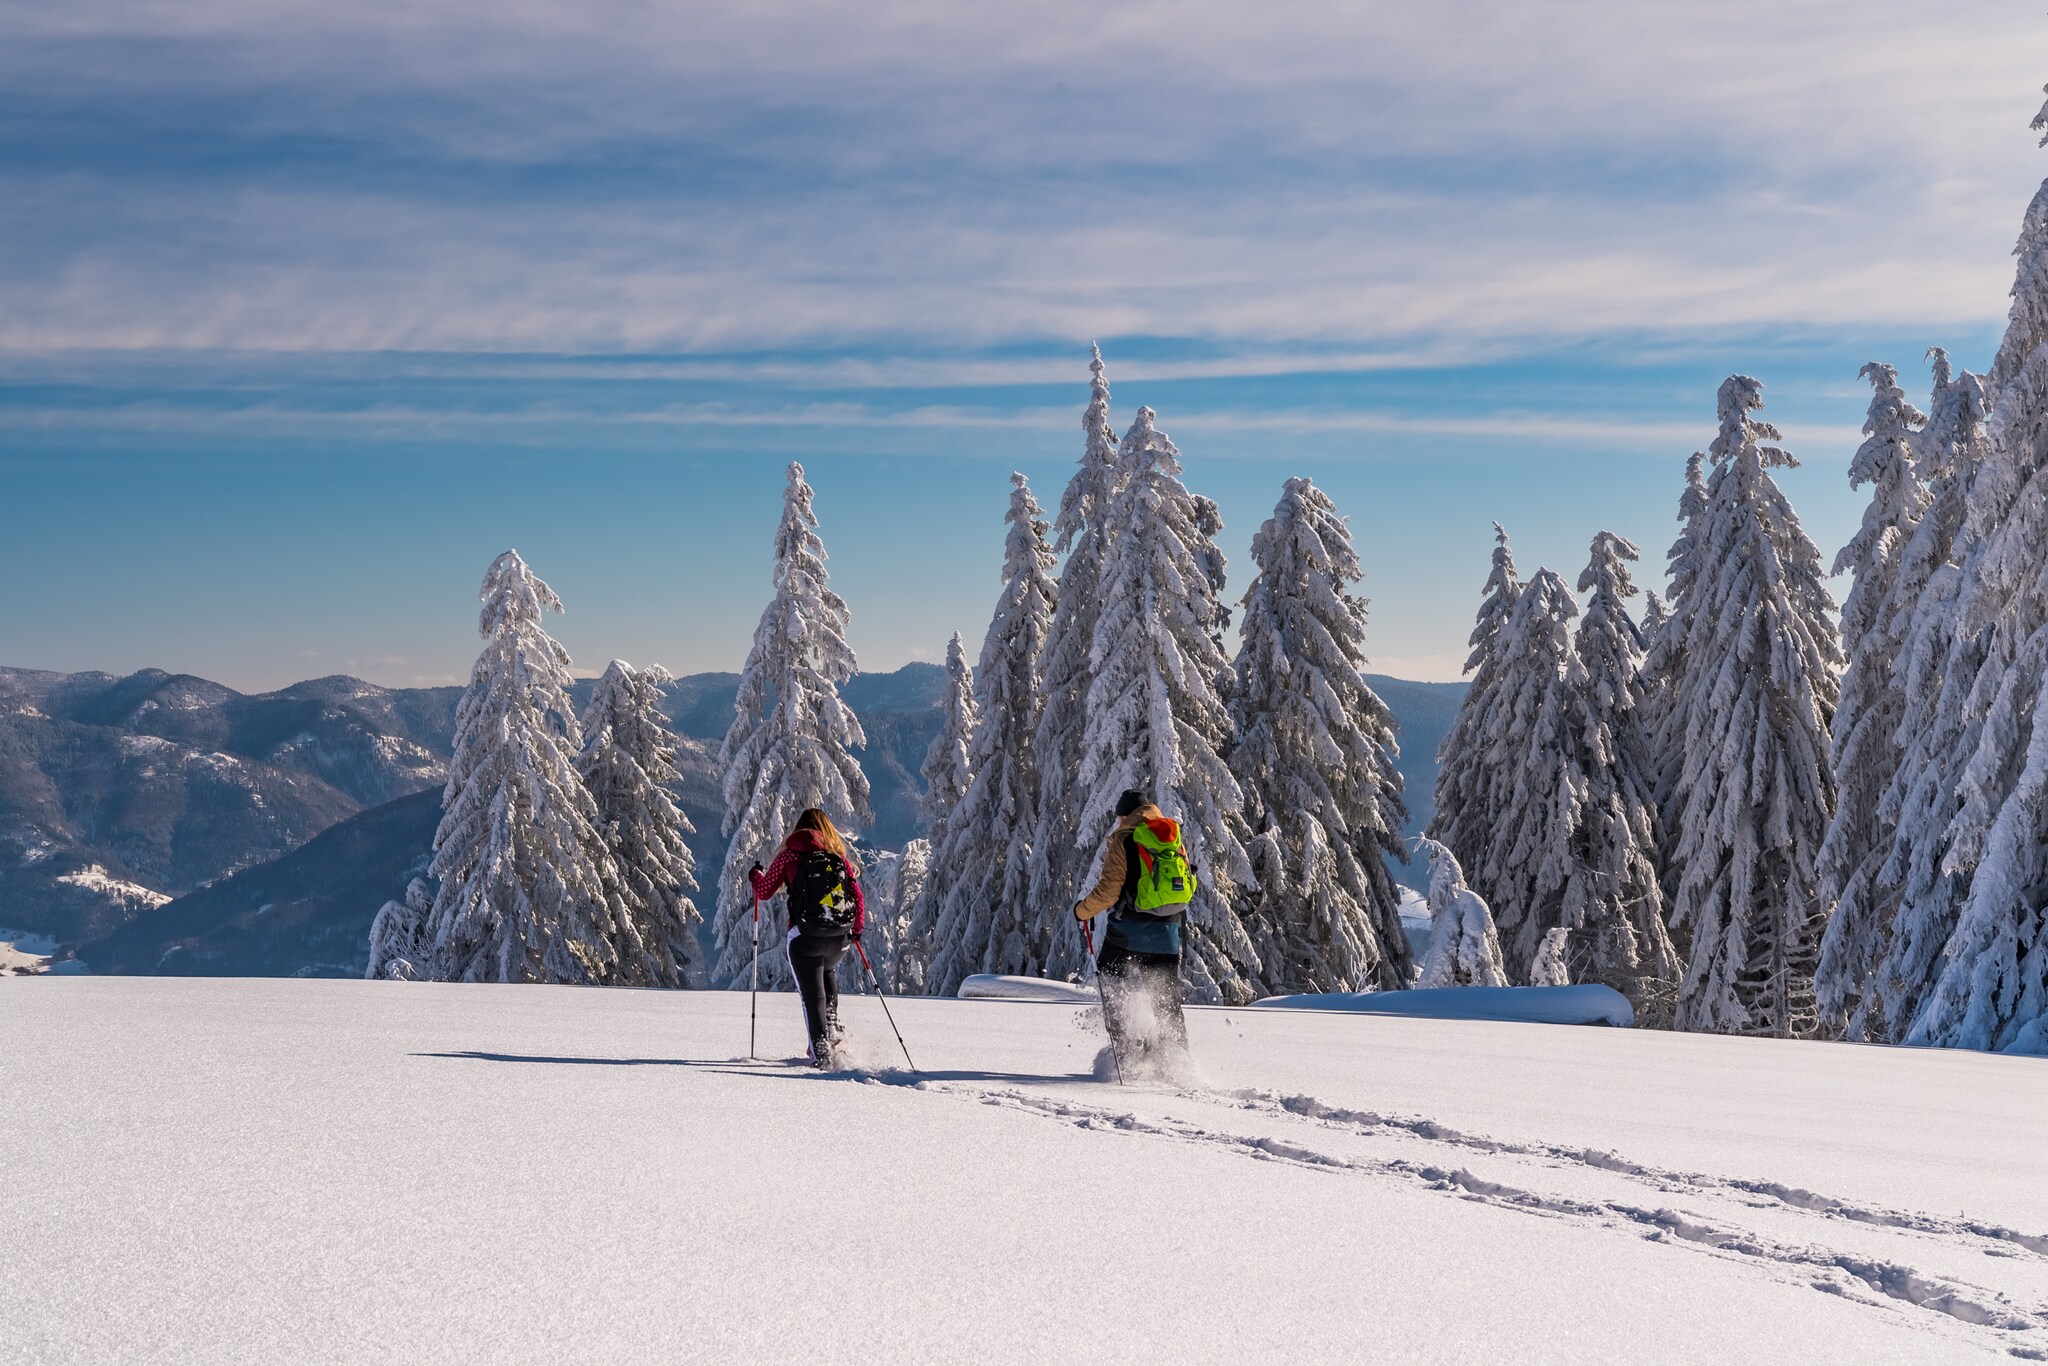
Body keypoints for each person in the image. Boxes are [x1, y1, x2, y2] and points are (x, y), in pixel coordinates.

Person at [1072, 788, 1193, 1072]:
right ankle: (1178, 1062)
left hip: (1129, 933)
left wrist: (1082, 911)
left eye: (1118, 817)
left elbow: (1108, 892)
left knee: (1112, 984)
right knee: (1167, 1001)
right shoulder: (1172, 837)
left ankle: (1125, 1056)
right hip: (1168, 934)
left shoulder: (1125, 840)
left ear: (1124, 815)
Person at [749, 808, 866, 1069]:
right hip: (838, 939)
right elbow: (857, 897)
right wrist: (855, 931)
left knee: (810, 996)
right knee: (827, 975)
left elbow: (765, 891)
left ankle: (820, 1052)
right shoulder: (837, 858)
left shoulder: (790, 855)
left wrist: (755, 875)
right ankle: (832, 1032)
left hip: (804, 937)